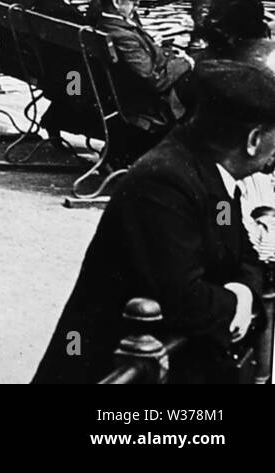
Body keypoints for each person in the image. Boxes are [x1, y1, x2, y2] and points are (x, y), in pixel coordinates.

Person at [32, 58, 275, 384]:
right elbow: (184, 299)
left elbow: (245, 255)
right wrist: (238, 301)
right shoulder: (163, 183)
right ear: (254, 140)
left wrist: (244, 293)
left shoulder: (206, 168)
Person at [92, 0, 194, 155]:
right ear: (116, 1)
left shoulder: (106, 25)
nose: (137, 5)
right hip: (144, 108)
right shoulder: (122, 35)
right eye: (132, 0)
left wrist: (165, 53)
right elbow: (155, 81)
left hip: (124, 96)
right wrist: (185, 63)